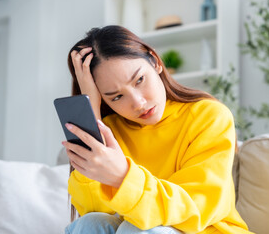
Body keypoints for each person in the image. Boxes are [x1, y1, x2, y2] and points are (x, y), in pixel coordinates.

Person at [62, 25, 252, 234]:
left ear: (155, 62)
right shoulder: (111, 131)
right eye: (116, 96)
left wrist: (122, 176)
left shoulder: (208, 116)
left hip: (207, 230)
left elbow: (195, 209)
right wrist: (93, 115)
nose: (138, 103)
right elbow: (94, 209)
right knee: (89, 224)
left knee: (141, 229)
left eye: (139, 80)